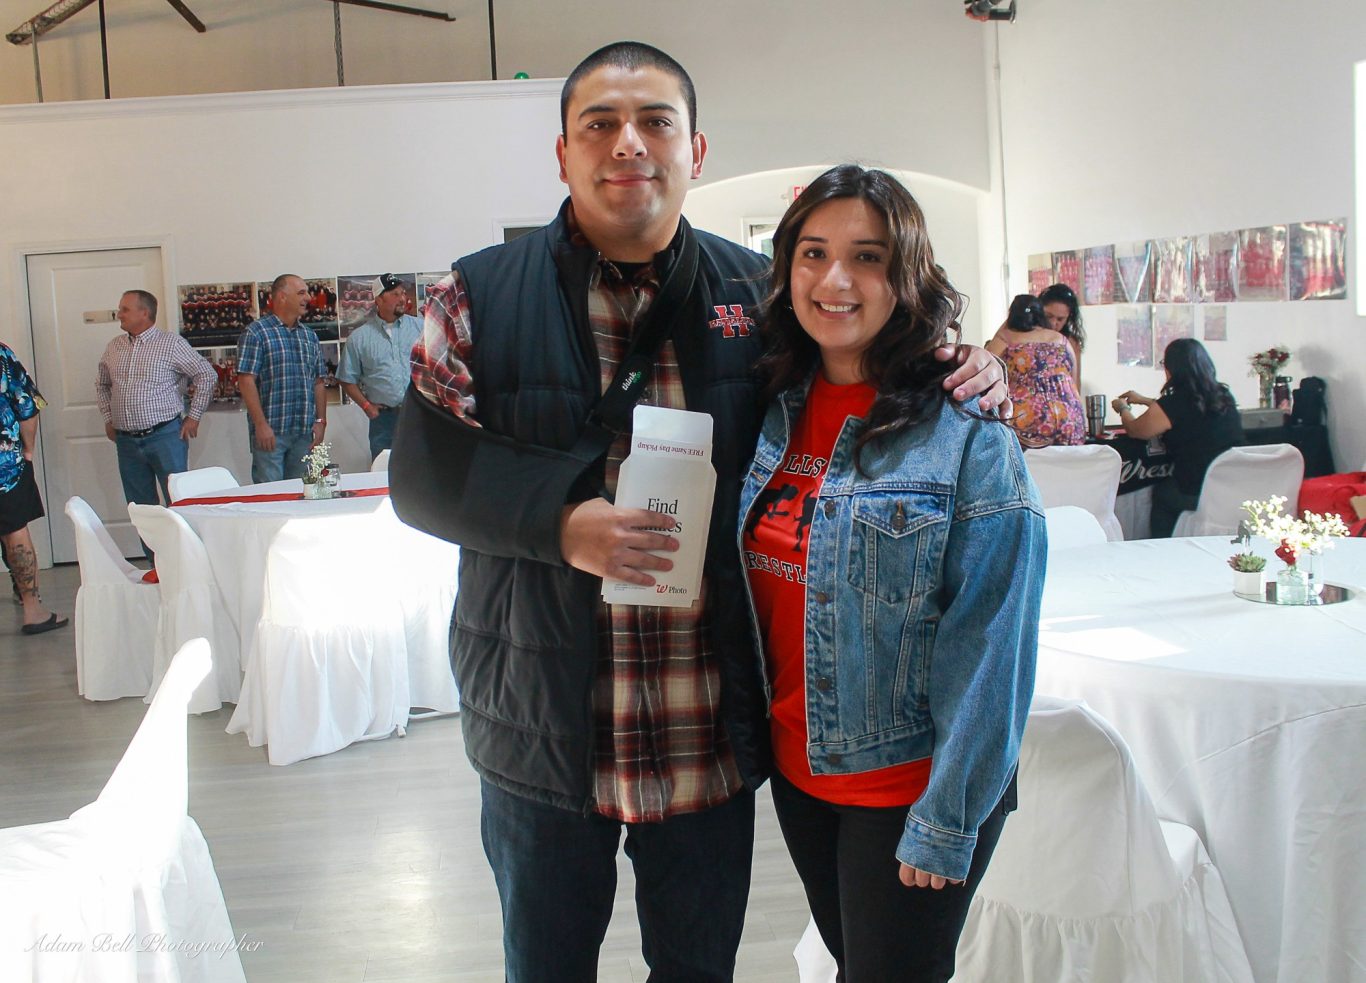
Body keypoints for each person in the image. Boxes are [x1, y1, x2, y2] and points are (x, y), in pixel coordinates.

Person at [395, 41, 1009, 983]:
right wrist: (562, 524)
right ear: (563, 153)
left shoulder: (758, 297)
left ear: (696, 150)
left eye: (655, 122)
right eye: (600, 124)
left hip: (707, 727)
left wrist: (957, 365)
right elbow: (423, 477)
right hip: (542, 727)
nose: (628, 143)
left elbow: (856, 364)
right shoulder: (475, 293)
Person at [740, 163, 1042, 983]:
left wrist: (948, 818)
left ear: (906, 275)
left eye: (867, 257)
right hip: (801, 772)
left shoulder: (968, 433)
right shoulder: (771, 406)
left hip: (909, 787)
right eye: (813, 253)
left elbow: (995, 642)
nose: (835, 279)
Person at [96, 290, 217, 525]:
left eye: (125, 309)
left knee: (178, 503)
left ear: (144, 313)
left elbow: (206, 374)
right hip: (126, 441)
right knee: (141, 509)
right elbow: (102, 384)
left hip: (165, 436)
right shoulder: (114, 347)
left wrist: (194, 416)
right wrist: (108, 418)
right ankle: (152, 551)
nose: (119, 314)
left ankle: (182, 549)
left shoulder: (171, 344)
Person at [1113, 337, 1245, 538]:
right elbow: (1182, 412)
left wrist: (1123, 409)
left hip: (1195, 489)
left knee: (1162, 495)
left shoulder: (1175, 402)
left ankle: (1161, 545)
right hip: (1230, 484)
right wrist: (1145, 400)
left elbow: (1136, 429)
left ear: (1171, 369)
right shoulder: (1223, 394)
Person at [0, 342, 68, 635]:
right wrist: (27, 450)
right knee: (14, 530)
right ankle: (32, 610)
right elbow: (27, 406)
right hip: (4, 465)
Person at [237, 274, 328, 483]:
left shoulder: (309, 336)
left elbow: (318, 381)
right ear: (282, 297)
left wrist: (321, 421)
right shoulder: (256, 333)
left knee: (302, 492)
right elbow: (246, 381)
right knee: (271, 495)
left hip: (304, 432)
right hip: (271, 433)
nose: (308, 298)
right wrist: (260, 425)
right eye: (301, 293)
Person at [337, 274, 421, 459]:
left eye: (402, 293)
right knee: (383, 470)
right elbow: (346, 378)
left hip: (419, 416)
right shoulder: (360, 338)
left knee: (422, 470)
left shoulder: (421, 329)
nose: (402, 299)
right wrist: (367, 406)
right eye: (395, 294)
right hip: (384, 421)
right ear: (378, 300)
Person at [986, 292, 1086, 447]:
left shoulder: (1005, 339)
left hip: (1025, 425)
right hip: (1071, 423)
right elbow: (1074, 384)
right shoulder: (1061, 340)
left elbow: (985, 375)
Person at [1038, 282, 1085, 385]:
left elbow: (1075, 385)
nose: (1053, 323)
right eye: (1048, 316)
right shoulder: (1027, 338)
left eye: (1060, 319)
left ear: (1068, 318)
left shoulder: (1071, 343)